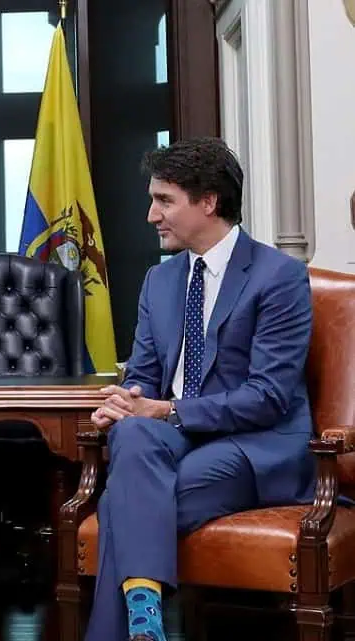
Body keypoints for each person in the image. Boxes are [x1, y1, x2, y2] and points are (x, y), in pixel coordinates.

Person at [84, 138, 315, 641]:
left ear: (208, 202)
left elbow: (269, 396)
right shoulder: (159, 282)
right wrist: (125, 402)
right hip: (171, 440)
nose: (151, 215)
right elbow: (142, 373)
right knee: (129, 437)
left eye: (164, 200)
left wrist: (166, 409)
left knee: (119, 506)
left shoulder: (280, 277)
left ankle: (135, 624)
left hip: (253, 445)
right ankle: (145, 624)